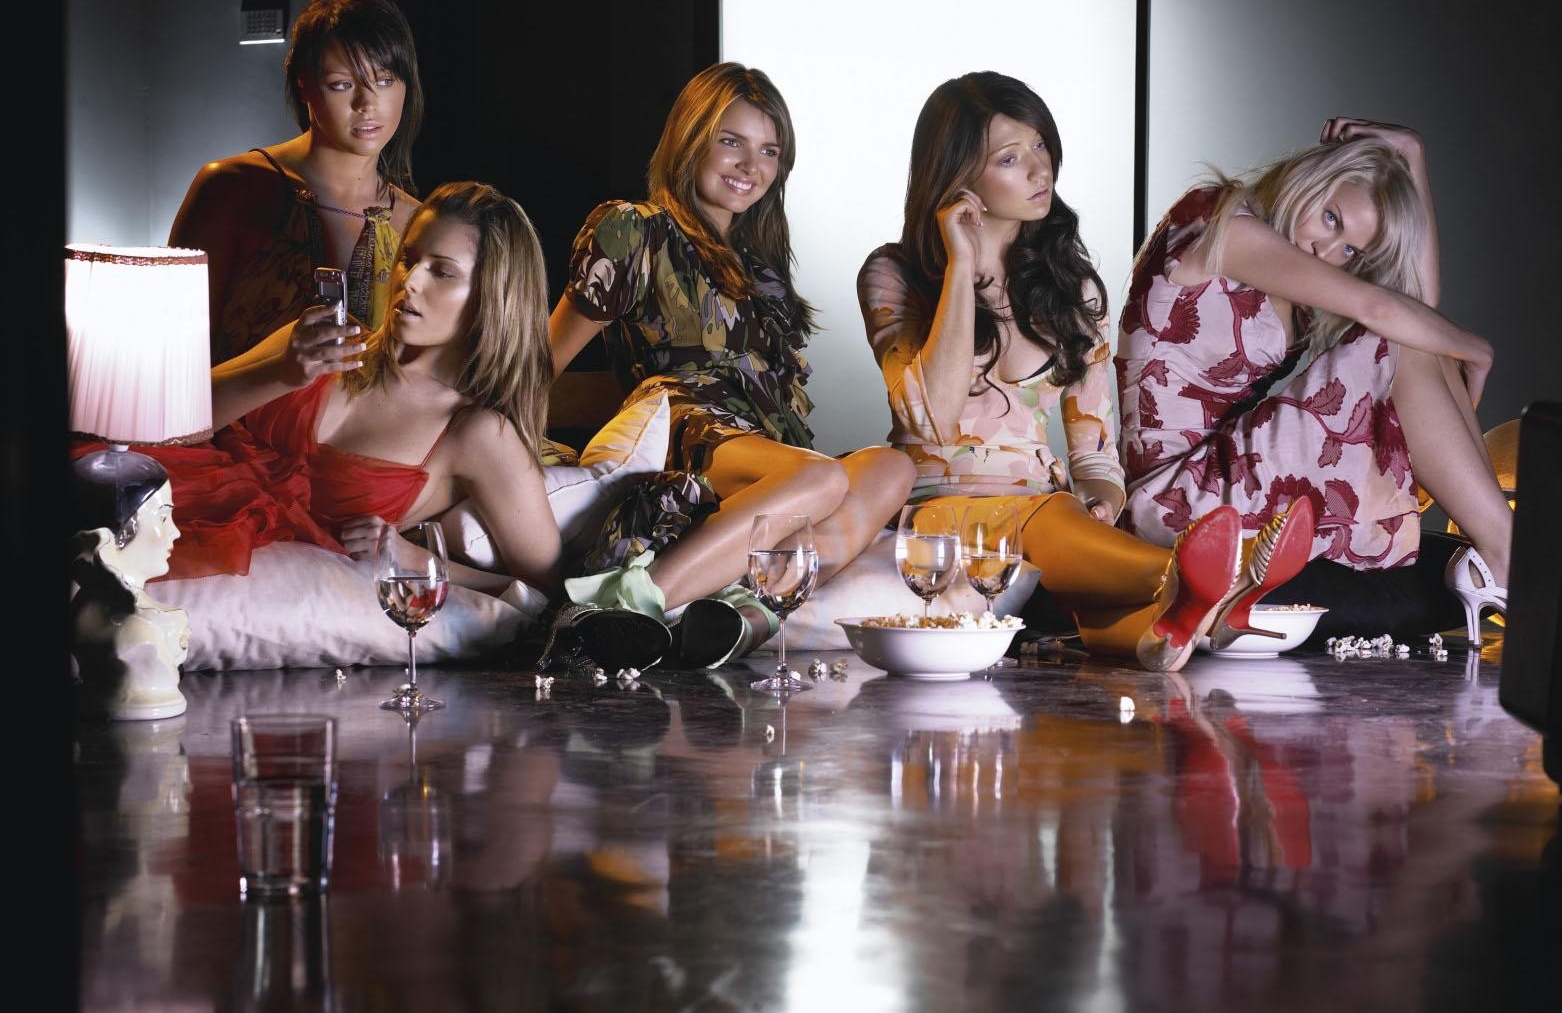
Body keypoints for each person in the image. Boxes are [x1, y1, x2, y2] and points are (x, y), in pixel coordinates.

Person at [859, 72, 1313, 670]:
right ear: (957, 175)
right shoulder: (894, 273)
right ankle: (1217, 577)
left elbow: (1094, 452)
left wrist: (1102, 496)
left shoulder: (1070, 288)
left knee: (1068, 530)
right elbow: (931, 421)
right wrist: (961, 266)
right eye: (1010, 158)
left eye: (1040, 145)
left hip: (1048, 509)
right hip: (937, 509)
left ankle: (1171, 625)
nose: (1039, 169)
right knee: (1046, 518)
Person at [546, 61, 915, 669]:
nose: (751, 166)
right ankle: (620, 608)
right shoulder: (635, 230)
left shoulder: (759, 265)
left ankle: (739, 613)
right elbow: (541, 363)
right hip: (687, 427)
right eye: (731, 141)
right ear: (690, 139)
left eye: (769, 151)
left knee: (892, 467)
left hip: (767, 453)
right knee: (823, 480)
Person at [1118, 119, 1509, 644]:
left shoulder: (1293, 270)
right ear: (1311, 178)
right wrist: (1476, 349)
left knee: (1413, 334)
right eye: (1331, 218)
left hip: (1220, 472)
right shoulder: (1220, 221)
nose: (1327, 250)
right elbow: (1387, 311)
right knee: (1398, 334)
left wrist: (1413, 155)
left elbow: (1417, 305)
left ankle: (1504, 550)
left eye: (1349, 250)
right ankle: (1507, 553)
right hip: (1173, 496)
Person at [75, 181, 560, 598]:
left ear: (492, 296)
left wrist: (417, 560)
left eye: (442, 271)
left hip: (233, 576)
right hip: (157, 502)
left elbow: (545, 588)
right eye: (408, 259)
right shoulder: (321, 339)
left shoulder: (478, 433)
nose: (409, 281)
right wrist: (281, 374)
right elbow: (167, 421)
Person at [170, 0, 424, 363]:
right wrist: (273, 372)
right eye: (342, 85)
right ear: (303, 82)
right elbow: (170, 365)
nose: (367, 104)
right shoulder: (231, 189)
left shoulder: (416, 222)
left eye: (385, 80)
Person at [70, 454, 189, 717]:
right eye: (163, 517)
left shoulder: (84, 605)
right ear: (120, 532)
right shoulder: (138, 632)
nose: (176, 532)